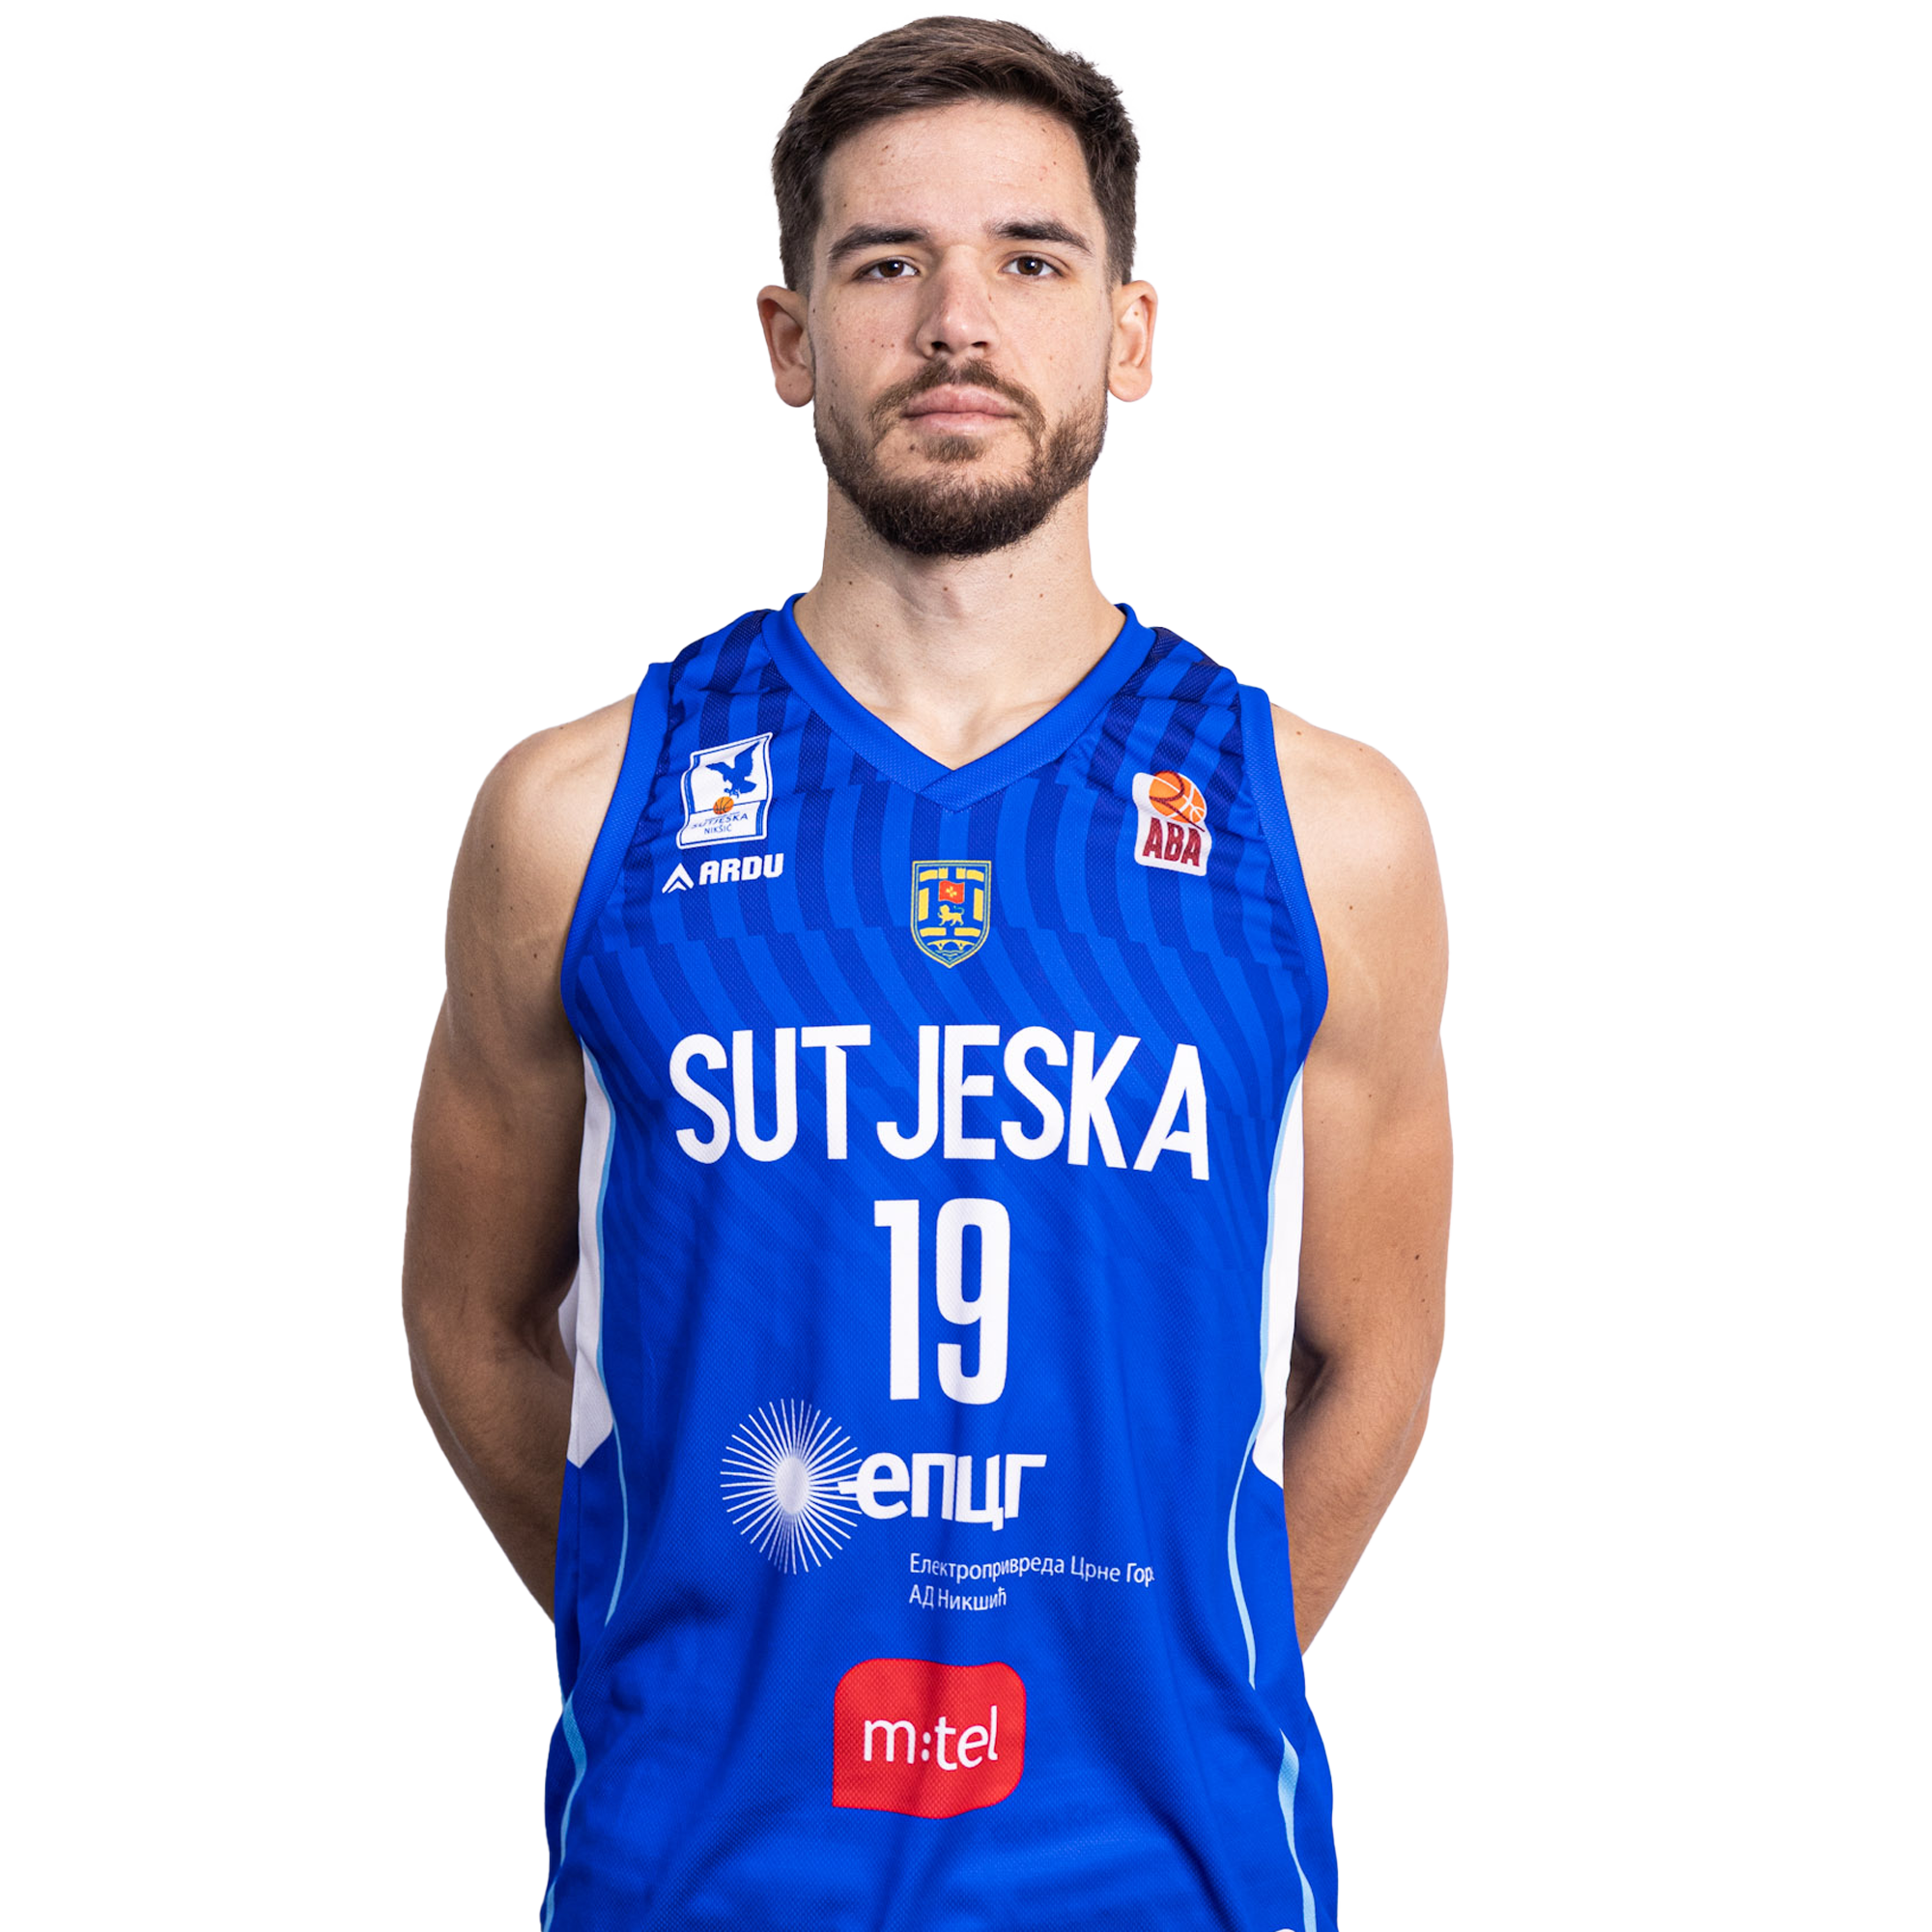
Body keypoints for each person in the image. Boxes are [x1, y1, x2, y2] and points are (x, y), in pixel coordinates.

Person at [404, 14, 1448, 1929]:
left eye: (1030, 261)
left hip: (1165, 1881)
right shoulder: (575, 813)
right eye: (886, 262)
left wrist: (1181, 1679)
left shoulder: (1322, 826)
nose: (958, 321)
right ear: (791, 335)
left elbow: (1372, 1354)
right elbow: (469, 1317)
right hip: (701, 1876)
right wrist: (678, 1657)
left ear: (1126, 331)